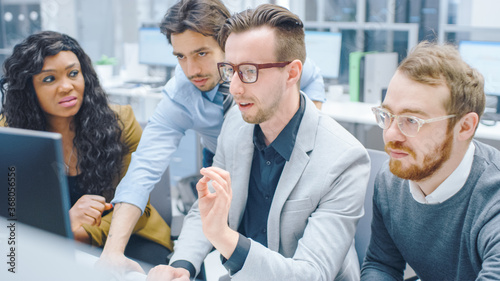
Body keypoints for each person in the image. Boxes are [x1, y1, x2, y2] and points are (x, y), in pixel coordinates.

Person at [146, 4, 370, 281]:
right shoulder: (235, 124)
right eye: (230, 70)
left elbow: (310, 275)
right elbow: (206, 209)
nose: (235, 88)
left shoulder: (344, 158)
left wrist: (224, 237)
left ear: (291, 73)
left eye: (249, 71)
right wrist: (181, 265)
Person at [99, 0, 327, 272]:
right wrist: (113, 251)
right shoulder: (181, 96)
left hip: (277, 150)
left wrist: (302, 132)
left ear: (227, 44)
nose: (191, 69)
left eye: (202, 53)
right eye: (180, 56)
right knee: (213, 219)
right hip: (222, 157)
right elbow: (143, 168)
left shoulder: (273, 65)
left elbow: (310, 77)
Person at [0, 31, 173, 265]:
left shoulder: (121, 123)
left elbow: (137, 202)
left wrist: (78, 233)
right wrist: (63, 224)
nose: (66, 87)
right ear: (28, 89)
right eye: (49, 79)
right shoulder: (9, 135)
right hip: (49, 244)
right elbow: (10, 217)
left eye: (73, 74)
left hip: (128, 234)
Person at [361, 41, 500, 280]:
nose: (391, 134)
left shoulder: (492, 199)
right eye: (387, 115)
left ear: (465, 127)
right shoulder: (390, 179)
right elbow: (381, 264)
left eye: (412, 120)